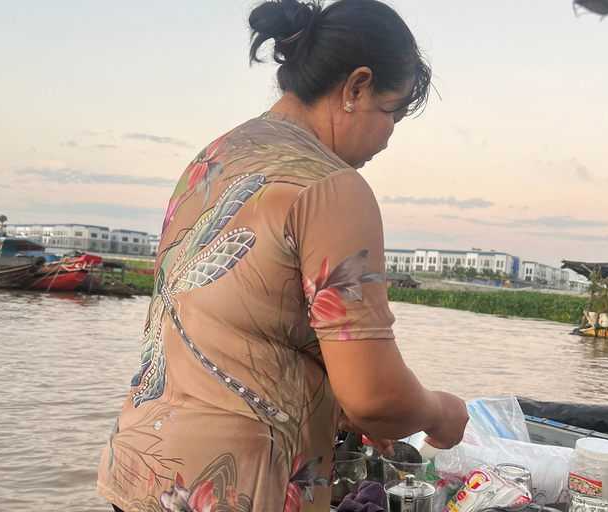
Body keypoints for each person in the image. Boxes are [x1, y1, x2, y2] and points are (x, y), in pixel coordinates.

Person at [96, 1, 468, 510]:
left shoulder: (214, 158)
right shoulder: (332, 187)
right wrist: (438, 412)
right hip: (235, 489)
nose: (388, 137)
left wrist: (337, 405)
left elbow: (237, 323)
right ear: (357, 87)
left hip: (141, 471)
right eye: (392, 113)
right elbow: (375, 395)